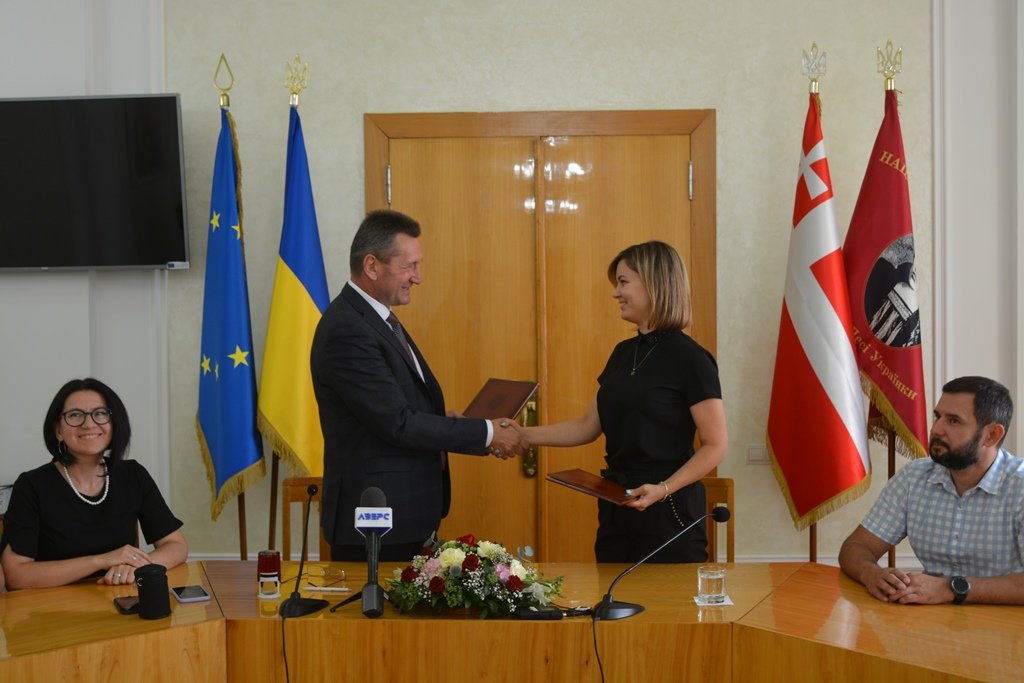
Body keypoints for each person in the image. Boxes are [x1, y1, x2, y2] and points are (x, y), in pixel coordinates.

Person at [310, 209, 525, 562]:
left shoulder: (376, 319)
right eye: (409, 266)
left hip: (406, 516)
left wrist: (450, 421)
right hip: (377, 521)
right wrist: (487, 433)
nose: (418, 277)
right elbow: (397, 422)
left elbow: (396, 409)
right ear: (372, 266)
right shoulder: (348, 329)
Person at [517, 240, 728, 563]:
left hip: (668, 510)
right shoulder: (622, 353)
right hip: (617, 505)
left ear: (654, 284)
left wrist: (663, 488)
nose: (616, 293)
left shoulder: (692, 359)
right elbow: (587, 426)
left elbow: (715, 445)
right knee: (611, 594)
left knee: (665, 597)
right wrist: (521, 435)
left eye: (623, 282)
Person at [839, 376, 1024, 605]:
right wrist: (871, 574)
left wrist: (951, 589)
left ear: (991, 435)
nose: (936, 429)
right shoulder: (913, 477)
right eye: (938, 417)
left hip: (1005, 621)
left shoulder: (1019, 486)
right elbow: (856, 547)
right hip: (931, 618)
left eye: (954, 421)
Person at [0, 378, 187, 589]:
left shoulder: (132, 474)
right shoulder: (32, 485)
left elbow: (176, 545)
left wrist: (137, 567)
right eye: (75, 415)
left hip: (118, 598)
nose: (89, 424)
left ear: (114, 424)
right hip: (54, 604)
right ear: (58, 430)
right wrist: (101, 560)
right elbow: (16, 575)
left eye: (100, 413)